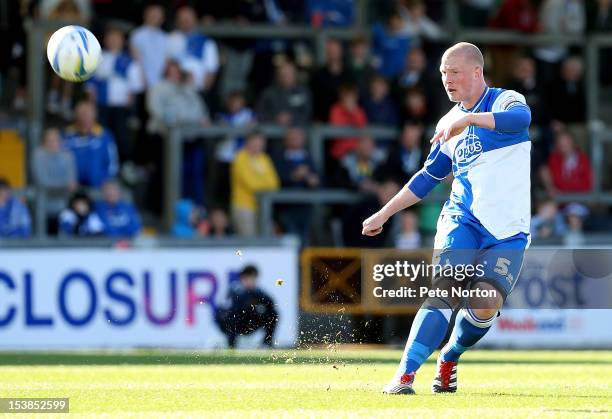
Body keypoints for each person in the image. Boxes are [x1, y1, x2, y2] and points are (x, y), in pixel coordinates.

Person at [362, 42, 532, 394]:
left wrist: (469, 119)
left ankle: (450, 357)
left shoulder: (504, 101)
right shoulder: (447, 122)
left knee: (485, 304)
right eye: (443, 73)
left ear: (476, 72)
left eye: (454, 71)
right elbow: (427, 178)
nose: (447, 79)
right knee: (445, 290)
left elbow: (522, 120)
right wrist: (384, 212)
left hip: (508, 230)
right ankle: (404, 375)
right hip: (463, 220)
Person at [214, 265, 278, 348]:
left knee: (273, 314)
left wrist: (257, 298)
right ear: (243, 278)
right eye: (250, 278)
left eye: (254, 278)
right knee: (233, 315)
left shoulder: (257, 291)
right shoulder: (235, 288)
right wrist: (252, 294)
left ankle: (266, 343)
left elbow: (271, 303)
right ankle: (231, 345)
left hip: (248, 323)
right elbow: (233, 308)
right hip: (231, 323)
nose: (253, 281)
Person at [230, 130, 279, 237]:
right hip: (244, 206)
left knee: (267, 239)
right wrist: (264, 182)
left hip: (263, 207)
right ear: (248, 141)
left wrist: (261, 182)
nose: (258, 144)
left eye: (261, 141)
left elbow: (274, 183)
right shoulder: (240, 158)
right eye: (255, 141)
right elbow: (251, 184)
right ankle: (238, 255)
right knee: (248, 242)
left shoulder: (264, 159)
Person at [62, 100, 119, 188]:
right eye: (82, 114)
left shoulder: (104, 136)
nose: (84, 118)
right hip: (70, 187)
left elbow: (112, 164)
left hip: (98, 188)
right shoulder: (67, 135)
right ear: (76, 116)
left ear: (94, 116)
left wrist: (106, 181)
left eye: (88, 114)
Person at [32, 127, 77, 234]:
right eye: (50, 140)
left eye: (56, 140)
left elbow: (72, 181)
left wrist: (65, 186)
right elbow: (43, 181)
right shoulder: (38, 155)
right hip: (43, 203)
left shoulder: (68, 156)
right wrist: (65, 186)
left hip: (64, 203)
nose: (53, 143)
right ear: (44, 142)